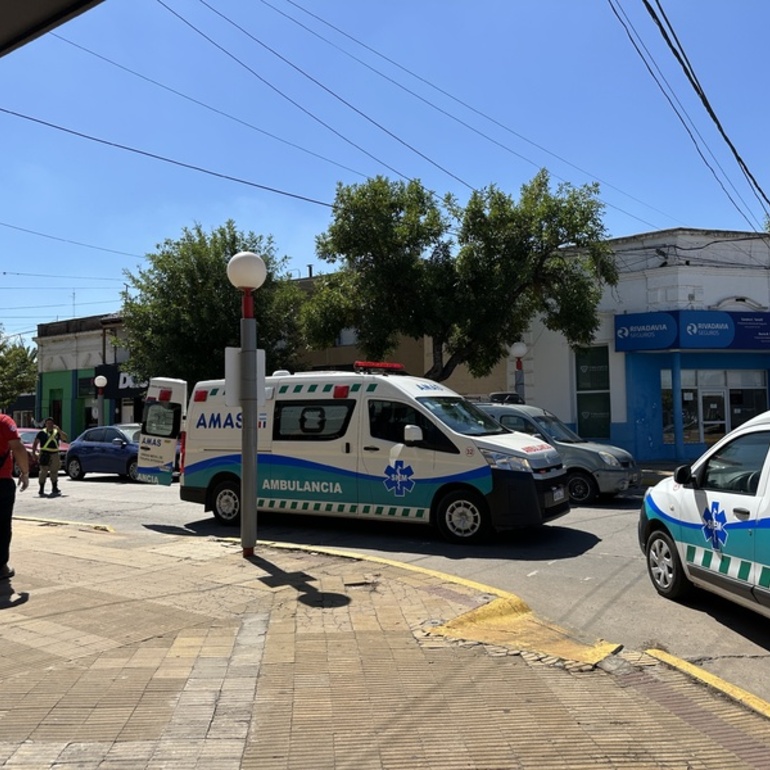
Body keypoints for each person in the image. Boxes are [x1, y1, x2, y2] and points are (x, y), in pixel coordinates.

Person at [0, 414, 29, 580]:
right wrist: (25, 472)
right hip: (1, 481)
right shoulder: (4, 421)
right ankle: (1, 567)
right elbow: (17, 447)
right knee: (2, 525)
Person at [32, 417, 68, 497]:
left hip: (55, 453)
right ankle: (41, 488)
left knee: (54, 471)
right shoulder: (42, 433)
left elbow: (65, 438)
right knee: (43, 471)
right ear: (45, 424)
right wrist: (34, 453)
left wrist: (59, 430)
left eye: (51, 423)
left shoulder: (56, 432)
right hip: (44, 453)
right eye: (48, 423)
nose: (50, 425)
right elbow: (35, 442)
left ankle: (54, 487)